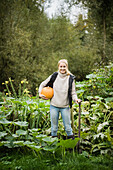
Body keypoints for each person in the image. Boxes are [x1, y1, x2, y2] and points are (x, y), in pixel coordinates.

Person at [39, 59, 81, 139]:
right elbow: (42, 84)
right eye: (61, 66)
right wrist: (40, 94)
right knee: (54, 128)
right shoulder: (54, 76)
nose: (62, 68)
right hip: (54, 106)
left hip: (65, 107)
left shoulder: (71, 78)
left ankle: (71, 147)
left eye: (64, 66)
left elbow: (73, 93)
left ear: (67, 67)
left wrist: (76, 99)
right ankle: (53, 146)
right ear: (58, 67)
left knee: (68, 128)